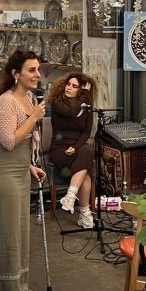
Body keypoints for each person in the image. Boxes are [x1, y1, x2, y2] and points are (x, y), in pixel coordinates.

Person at [0, 50, 46, 291]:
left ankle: (18, 284)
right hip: (4, 174)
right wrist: (33, 118)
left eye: (38, 69)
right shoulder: (5, 102)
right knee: (7, 234)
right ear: (16, 74)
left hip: (20, 171)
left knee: (20, 230)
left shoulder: (30, 98)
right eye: (31, 70)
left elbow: (23, 142)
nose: (37, 75)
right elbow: (9, 141)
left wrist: (30, 166)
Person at [49, 73, 96, 228]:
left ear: (80, 91)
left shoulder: (86, 108)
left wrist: (75, 148)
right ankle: (83, 211)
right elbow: (72, 112)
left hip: (76, 149)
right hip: (59, 150)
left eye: (74, 86)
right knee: (86, 162)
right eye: (68, 84)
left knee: (85, 152)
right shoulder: (57, 102)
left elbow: (86, 133)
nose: (69, 88)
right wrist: (85, 96)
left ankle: (71, 198)